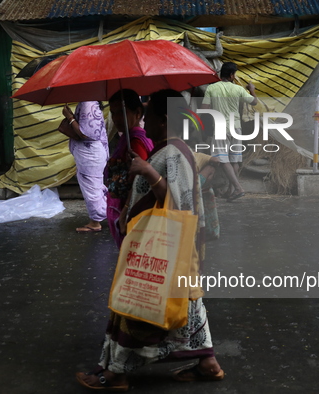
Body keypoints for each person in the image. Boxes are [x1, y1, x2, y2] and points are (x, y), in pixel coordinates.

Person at [76, 89, 224, 391]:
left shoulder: (172, 152)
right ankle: (207, 362)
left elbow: (180, 203)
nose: (147, 119)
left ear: (164, 119)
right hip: (168, 245)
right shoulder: (167, 149)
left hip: (159, 243)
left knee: (136, 304)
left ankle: (117, 372)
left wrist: (148, 172)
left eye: (151, 114)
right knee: (187, 300)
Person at [202, 61, 258, 202]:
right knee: (234, 159)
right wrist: (252, 89)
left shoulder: (212, 88)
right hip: (236, 127)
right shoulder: (238, 90)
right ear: (232, 75)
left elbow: (205, 108)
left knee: (221, 158)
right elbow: (254, 102)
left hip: (221, 127)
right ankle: (231, 191)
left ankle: (238, 188)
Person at [105, 89, 154, 248]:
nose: (116, 118)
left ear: (138, 113)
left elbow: (140, 183)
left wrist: (126, 211)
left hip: (131, 211)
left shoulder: (135, 142)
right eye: (113, 113)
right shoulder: (126, 138)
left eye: (122, 112)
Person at [60, 101, 109, 233]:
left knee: (92, 189)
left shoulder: (88, 104)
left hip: (90, 155)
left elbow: (85, 133)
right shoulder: (90, 103)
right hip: (92, 154)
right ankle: (109, 213)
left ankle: (96, 222)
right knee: (95, 186)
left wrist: (69, 118)